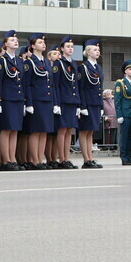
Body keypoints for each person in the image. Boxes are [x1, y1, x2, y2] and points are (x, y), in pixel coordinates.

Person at [23, 33, 58, 170]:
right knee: (35, 131)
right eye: (39, 42)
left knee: (44, 131)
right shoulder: (30, 62)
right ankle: (34, 160)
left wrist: (54, 102)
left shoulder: (45, 62)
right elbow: (28, 84)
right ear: (32, 46)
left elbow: (51, 84)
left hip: (47, 100)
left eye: (43, 42)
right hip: (36, 100)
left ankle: (40, 159)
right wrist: (29, 103)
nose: (42, 44)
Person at [0, 31, 25, 171]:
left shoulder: (18, 60)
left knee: (15, 130)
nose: (15, 41)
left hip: (17, 98)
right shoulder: (2, 60)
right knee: (6, 129)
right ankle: (5, 159)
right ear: (5, 44)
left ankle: (12, 158)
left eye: (16, 39)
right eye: (12, 40)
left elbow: (21, 81)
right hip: (6, 98)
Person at [52, 37, 81, 170]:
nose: (70, 48)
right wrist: (56, 103)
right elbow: (55, 85)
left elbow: (76, 84)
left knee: (70, 130)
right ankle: (61, 158)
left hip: (72, 101)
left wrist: (78, 105)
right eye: (68, 46)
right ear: (62, 49)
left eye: (72, 46)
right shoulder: (59, 64)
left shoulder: (74, 64)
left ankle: (67, 158)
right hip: (63, 101)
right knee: (62, 130)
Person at [77, 39, 104, 169]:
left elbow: (100, 87)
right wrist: (82, 106)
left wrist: (102, 105)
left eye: (98, 50)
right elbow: (80, 88)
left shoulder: (98, 67)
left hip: (96, 103)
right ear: (88, 52)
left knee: (91, 132)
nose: (97, 52)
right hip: (87, 103)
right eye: (94, 49)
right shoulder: (83, 67)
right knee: (84, 131)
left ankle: (91, 158)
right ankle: (86, 159)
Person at [114, 60, 131, 165]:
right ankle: (124, 157)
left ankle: (130, 156)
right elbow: (117, 101)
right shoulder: (120, 83)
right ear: (125, 71)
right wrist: (119, 115)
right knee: (124, 137)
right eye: (130, 69)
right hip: (125, 115)